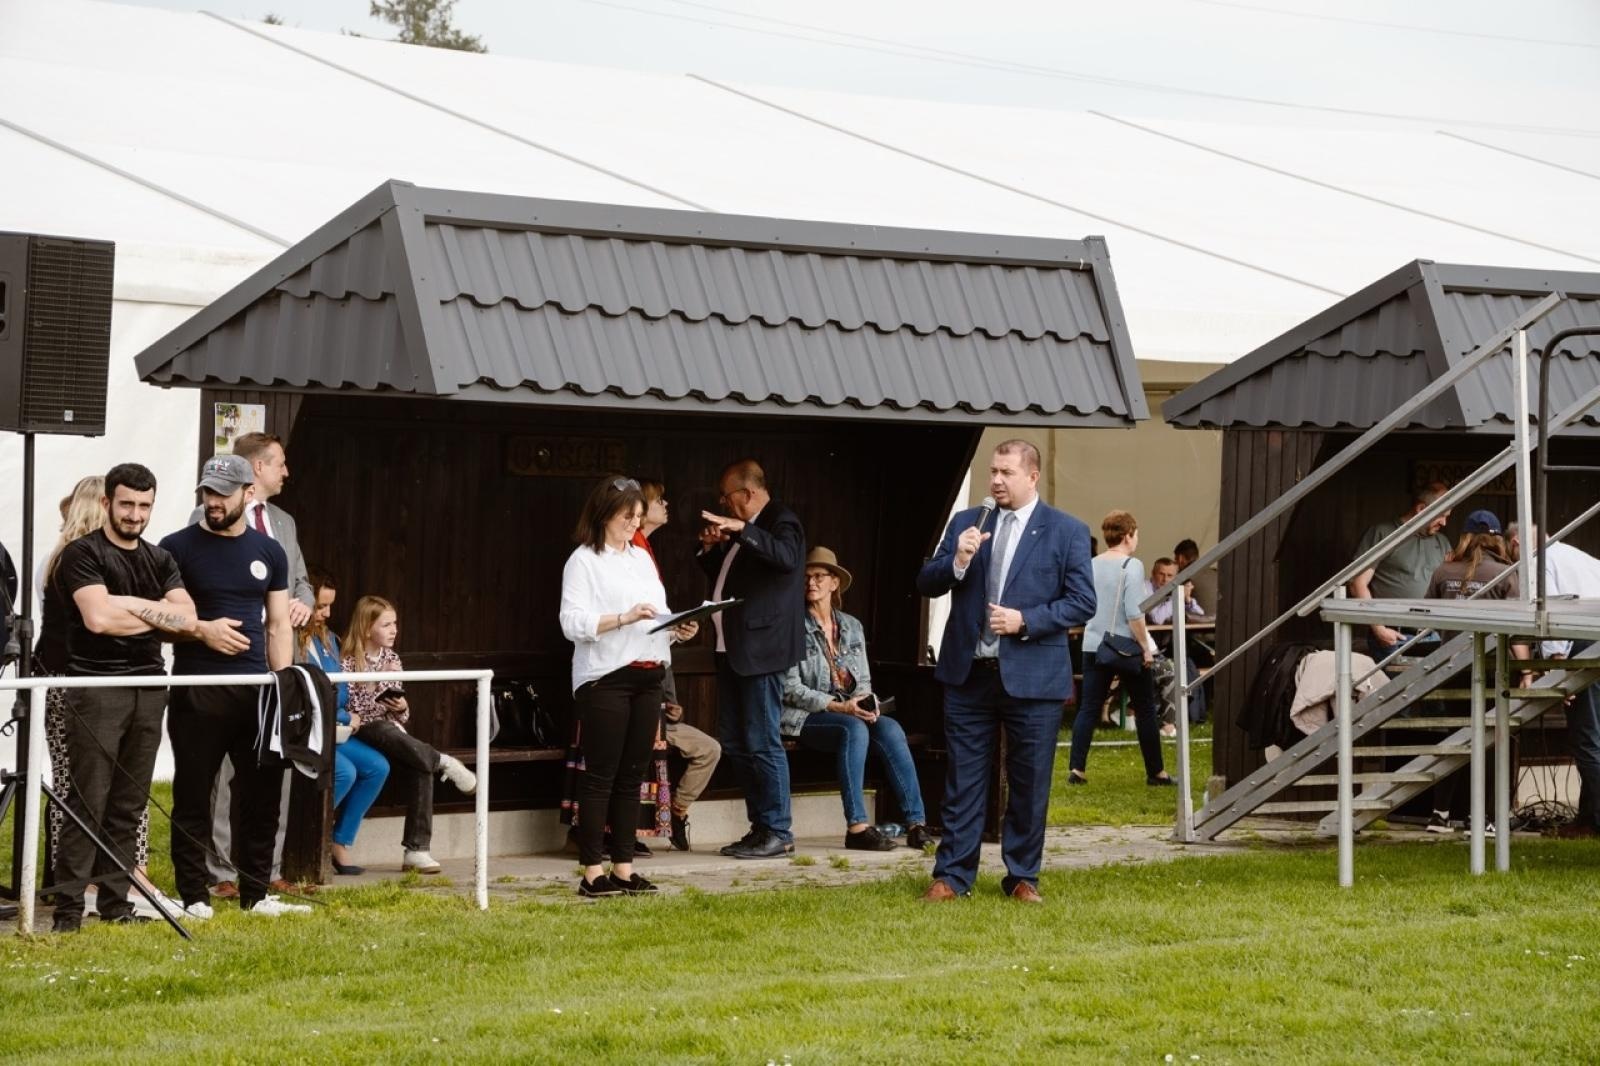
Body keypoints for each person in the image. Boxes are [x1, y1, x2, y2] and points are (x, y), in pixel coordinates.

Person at [916, 439, 1096, 903]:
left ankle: (1021, 876)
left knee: (1029, 782)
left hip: (1033, 676)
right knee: (963, 780)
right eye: (992, 471)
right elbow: (926, 581)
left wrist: (1026, 621)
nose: (995, 480)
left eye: (1006, 473)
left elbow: (1083, 602)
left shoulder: (1066, 530)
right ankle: (953, 875)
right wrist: (957, 561)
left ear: (1032, 476)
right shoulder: (967, 523)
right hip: (969, 674)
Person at [47, 465, 197, 932]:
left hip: (151, 687)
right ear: (108, 502)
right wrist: (156, 615)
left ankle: (116, 904)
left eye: (145, 505)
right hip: (95, 687)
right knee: (87, 800)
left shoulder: (159, 558)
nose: (136, 514)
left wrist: (126, 604)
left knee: (130, 804)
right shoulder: (81, 554)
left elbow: (188, 618)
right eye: (127, 504)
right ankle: (69, 913)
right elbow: (97, 620)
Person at [158, 453, 308, 917]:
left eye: (223, 493)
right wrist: (200, 628)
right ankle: (194, 896)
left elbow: (280, 625)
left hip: (256, 691)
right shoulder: (175, 546)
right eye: (208, 492)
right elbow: (159, 619)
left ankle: (257, 893)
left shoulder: (269, 551)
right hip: (197, 689)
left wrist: (282, 686)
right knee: (193, 794)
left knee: (262, 796)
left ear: (248, 493)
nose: (213, 502)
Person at [559, 477, 697, 896]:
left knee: (633, 775)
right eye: (627, 516)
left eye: (638, 516)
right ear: (604, 514)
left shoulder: (640, 558)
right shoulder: (583, 560)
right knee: (601, 774)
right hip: (606, 677)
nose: (633, 523)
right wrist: (623, 617)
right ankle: (591, 873)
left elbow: (657, 616)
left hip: (649, 673)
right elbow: (572, 624)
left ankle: (623, 867)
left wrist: (678, 629)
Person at [196, 432, 314, 899]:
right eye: (280, 463)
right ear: (257, 468)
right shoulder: (208, 515)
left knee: (275, 757)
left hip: (279, 659)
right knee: (224, 769)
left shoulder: (284, 522)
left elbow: (301, 580)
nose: (286, 472)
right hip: (231, 657)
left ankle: (268, 866)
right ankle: (220, 871)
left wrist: (301, 604)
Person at [781, 547, 932, 851]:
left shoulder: (851, 626)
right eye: (807, 577)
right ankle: (857, 827)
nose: (811, 582)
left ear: (834, 583)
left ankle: (917, 824)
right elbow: (790, 689)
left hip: (848, 711)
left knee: (890, 729)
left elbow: (862, 680)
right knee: (853, 729)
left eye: (819, 576)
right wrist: (841, 707)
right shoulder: (792, 626)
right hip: (805, 716)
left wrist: (866, 703)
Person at [698, 459, 807, 860]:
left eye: (727, 497)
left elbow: (787, 558)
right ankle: (760, 827)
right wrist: (713, 549)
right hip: (733, 648)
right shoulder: (746, 530)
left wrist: (742, 530)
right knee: (736, 741)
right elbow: (731, 577)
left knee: (762, 740)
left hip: (762, 651)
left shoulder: (781, 519)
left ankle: (779, 830)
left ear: (747, 493)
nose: (724, 504)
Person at [341, 595, 478, 875]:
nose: (394, 630)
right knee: (382, 728)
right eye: (386, 624)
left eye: (395, 624)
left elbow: (398, 712)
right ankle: (443, 761)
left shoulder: (392, 658)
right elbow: (353, 707)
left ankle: (417, 850)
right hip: (361, 730)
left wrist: (401, 706)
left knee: (420, 765)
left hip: (390, 730)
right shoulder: (348, 659)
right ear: (367, 628)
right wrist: (377, 696)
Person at [1421, 509, 1527, 833]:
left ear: (1465, 536)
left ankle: (1440, 814)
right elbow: (1518, 633)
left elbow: (1429, 616)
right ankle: (1486, 818)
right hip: (1493, 669)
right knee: (1494, 741)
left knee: (1457, 736)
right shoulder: (1506, 574)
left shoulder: (1443, 571)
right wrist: (1526, 672)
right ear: (1497, 537)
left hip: (1452, 667)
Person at [635, 479, 721, 852]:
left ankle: (679, 812)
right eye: (659, 499)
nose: (666, 504)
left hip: (655, 697)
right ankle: (619, 834)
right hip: (630, 687)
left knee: (709, 748)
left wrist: (676, 632)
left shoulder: (645, 549)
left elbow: (652, 633)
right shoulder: (631, 549)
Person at [1067, 511, 1176, 789]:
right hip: (1125, 647)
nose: (1137, 538)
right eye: (1136, 533)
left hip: (1094, 644)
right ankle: (1156, 772)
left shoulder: (1090, 564)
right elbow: (1134, 614)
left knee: (1088, 708)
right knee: (1146, 710)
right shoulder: (1133, 565)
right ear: (1128, 535)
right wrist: (1146, 648)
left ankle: (1076, 768)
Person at [1508, 521, 1600, 839]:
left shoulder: (1537, 562)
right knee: (1596, 737)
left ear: (1517, 541)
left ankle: (1596, 819)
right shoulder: (1580, 556)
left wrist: (1556, 665)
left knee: (1587, 737)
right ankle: (1589, 820)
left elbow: (1550, 609)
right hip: (1595, 634)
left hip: (1580, 643)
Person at [298, 569, 388, 874]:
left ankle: (340, 841)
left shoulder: (330, 640)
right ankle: (307, 837)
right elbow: (309, 692)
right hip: (312, 726)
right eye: (319, 606)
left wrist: (350, 714)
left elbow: (341, 685)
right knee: (345, 772)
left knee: (377, 766)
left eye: (329, 606)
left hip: (336, 727)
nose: (325, 613)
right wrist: (343, 715)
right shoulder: (291, 641)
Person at [1348, 482, 1452, 661]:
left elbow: (1451, 585)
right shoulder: (1383, 534)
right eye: (1441, 516)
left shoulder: (1442, 542)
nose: (1444, 522)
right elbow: (1357, 584)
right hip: (1393, 636)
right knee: (1397, 689)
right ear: (1421, 509)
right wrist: (1379, 629)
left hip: (1432, 636)